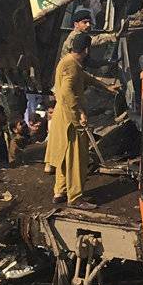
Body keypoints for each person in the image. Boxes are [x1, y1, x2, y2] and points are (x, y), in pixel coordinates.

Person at [46, 32, 95, 203]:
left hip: (61, 116)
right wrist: (79, 113)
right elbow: (67, 92)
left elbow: (82, 77)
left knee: (63, 156)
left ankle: (59, 192)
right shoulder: (72, 66)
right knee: (77, 159)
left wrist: (105, 86)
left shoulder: (67, 61)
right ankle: (75, 196)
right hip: (70, 118)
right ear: (87, 49)